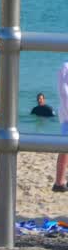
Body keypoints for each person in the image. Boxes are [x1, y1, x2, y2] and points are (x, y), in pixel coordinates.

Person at [55, 62, 68, 192]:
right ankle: (59, 181)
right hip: (67, 115)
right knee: (65, 147)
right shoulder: (66, 67)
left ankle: (59, 182)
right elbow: (64, 93)